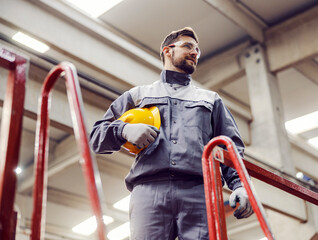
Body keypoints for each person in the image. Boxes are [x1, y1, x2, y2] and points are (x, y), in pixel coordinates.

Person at [90, 27, 254, 239]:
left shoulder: (211, 100)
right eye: (187, 46)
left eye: (197, 49)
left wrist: (240, 186)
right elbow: (96, 137)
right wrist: (124, 129)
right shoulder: (139, 96)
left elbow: (230, 147)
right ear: (168, 51)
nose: (195, 52)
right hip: (149, 190)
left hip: (200, 192)